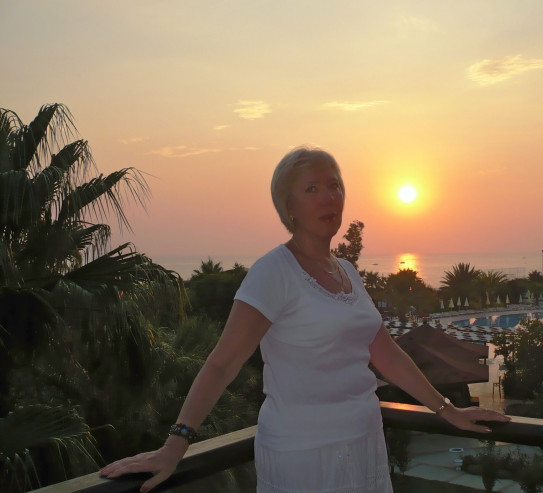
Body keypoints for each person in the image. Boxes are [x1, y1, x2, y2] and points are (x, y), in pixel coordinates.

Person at [99, 147, 510, 492]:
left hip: (364, 441)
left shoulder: (347, 272)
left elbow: (387, 353)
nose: (328, 197)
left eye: (334, 185)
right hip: (303, 454)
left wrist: (447, 410)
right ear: (289, 207)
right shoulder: (273, 272)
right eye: (312, 189)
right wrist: (175, 446)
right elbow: (223, 362)